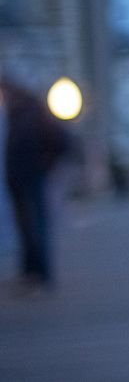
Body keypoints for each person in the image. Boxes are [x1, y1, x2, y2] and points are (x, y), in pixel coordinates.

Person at [1, 75, 71, 294]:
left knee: (35, 225)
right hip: (21, 179)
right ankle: (31, 272)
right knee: (26, 227)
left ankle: (40, 274)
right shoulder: (20, 113)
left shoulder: (29, 113)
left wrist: (44, 166)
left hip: (31, 178)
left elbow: (61, 142)